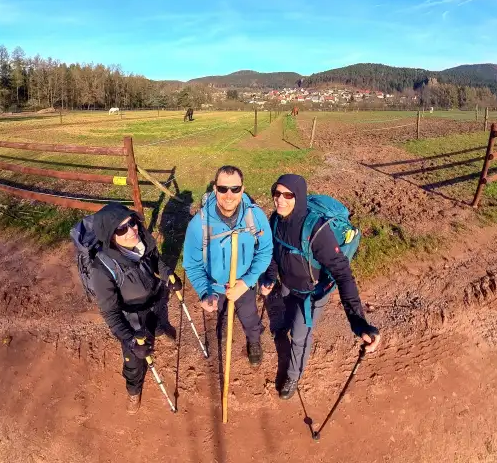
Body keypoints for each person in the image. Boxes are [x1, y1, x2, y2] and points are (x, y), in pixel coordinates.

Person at [259, 174, 380, 400]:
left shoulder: (315, 230)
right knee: (288, 312)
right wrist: (270, 277)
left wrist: (359, 322)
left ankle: (293, 375)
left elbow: (343, 275)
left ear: (299, 197)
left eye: (288, 195)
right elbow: (275, 251)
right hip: (288, 285)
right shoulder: (275, 219)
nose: (280, 200)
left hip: (312, 295)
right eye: (277, 193)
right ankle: (287, 324)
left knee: (299, 336)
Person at [82, 204, 176, 411]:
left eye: (132, 223)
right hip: (132, 319)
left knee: (157, 319)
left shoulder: (142, 241)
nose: (131, 230)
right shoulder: (102, 270)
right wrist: (131, 341)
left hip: (153, 299)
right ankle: (133, 390)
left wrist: (168, 274)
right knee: (134, 360)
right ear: (110, 236)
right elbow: (111, 313)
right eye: (121, 229)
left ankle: (158, 329)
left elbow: (156, 261)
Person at [182, 165, 273, 368]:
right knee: (221, 317)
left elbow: (265, 251)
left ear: (242, 189)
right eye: (223, 189)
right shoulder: (199, 224)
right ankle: (222, 332)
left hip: (244, 283)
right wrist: (205, 292)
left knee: (249, 316)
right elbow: (192, 264)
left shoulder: (255, 217)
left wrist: (246, 282)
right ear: (215, 189)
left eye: (235, 189)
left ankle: (254, 340)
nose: (229, 195)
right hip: (215, 288)